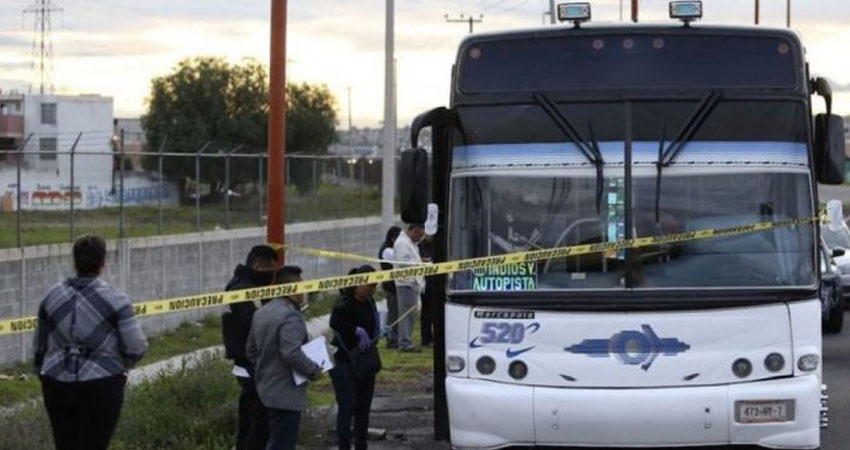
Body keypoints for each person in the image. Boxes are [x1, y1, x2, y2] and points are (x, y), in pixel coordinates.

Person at [33, 235, 148, 450]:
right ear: (103, 263)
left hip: (56, 382)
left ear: (74, 261)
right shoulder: (117, 300)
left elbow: (39, 345)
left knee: (65, 444)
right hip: (102, 383)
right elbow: (136, 346)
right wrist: (121, 367)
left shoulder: (51, 296)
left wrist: (42, 371)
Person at [247, 265, 322, 450]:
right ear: (292, 289)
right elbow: (291, 352)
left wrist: (266, 368)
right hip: (286, 393)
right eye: (302, 288)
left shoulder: (261, 312)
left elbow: (250, 351)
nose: (304, 293)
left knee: (267, 439)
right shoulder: (291, 316)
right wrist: (313, 370)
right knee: (282, 443)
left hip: (264, 389)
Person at [221, 245, 280, 450]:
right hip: (249, 364)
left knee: (249, 420)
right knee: (259, 423)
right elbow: (255, 323)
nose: (272, 276)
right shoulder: (242, 289)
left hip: (251, 362)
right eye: (270, 270)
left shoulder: (248, 285)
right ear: (258, 266)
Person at [330, 265, 382, 450]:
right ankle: (344, 445)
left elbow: (374, 323)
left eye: (374, 287)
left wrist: (375, 335)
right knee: (348, 404)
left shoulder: (370, 302)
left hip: (364, 360)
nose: (372, 290)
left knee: (363, 407)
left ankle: (361, 444)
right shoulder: (344, 303)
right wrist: (354, 330)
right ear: (357, 284)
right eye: (369, 286)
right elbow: (335, 323)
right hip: (344, 360)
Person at [392, 223, 426, 352]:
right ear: (412, 231)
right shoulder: (402, 243)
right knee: (406, 315)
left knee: (411, 315)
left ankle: (407, 340)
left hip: (413, 283)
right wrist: (420, 265)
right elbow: (403, 262)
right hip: (406, 283)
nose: (420, 238)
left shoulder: (411, 244)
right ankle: (405, 343)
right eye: (419, 234)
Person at [378, 226, 402, 348]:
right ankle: (392, 339)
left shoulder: (390, 249)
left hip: (395, 285)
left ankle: (395, 337)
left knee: (397, 313)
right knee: (393, 314)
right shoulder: (387, 251)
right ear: (393, 238)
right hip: (391, 287)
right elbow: (399, 261)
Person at [417, 236, 435, 347]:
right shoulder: (420, 246)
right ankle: (426, 338)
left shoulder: (438, 244)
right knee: (426, 313)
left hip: (435, 282)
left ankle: (432, 337)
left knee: (434, 313)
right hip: (425, 283)